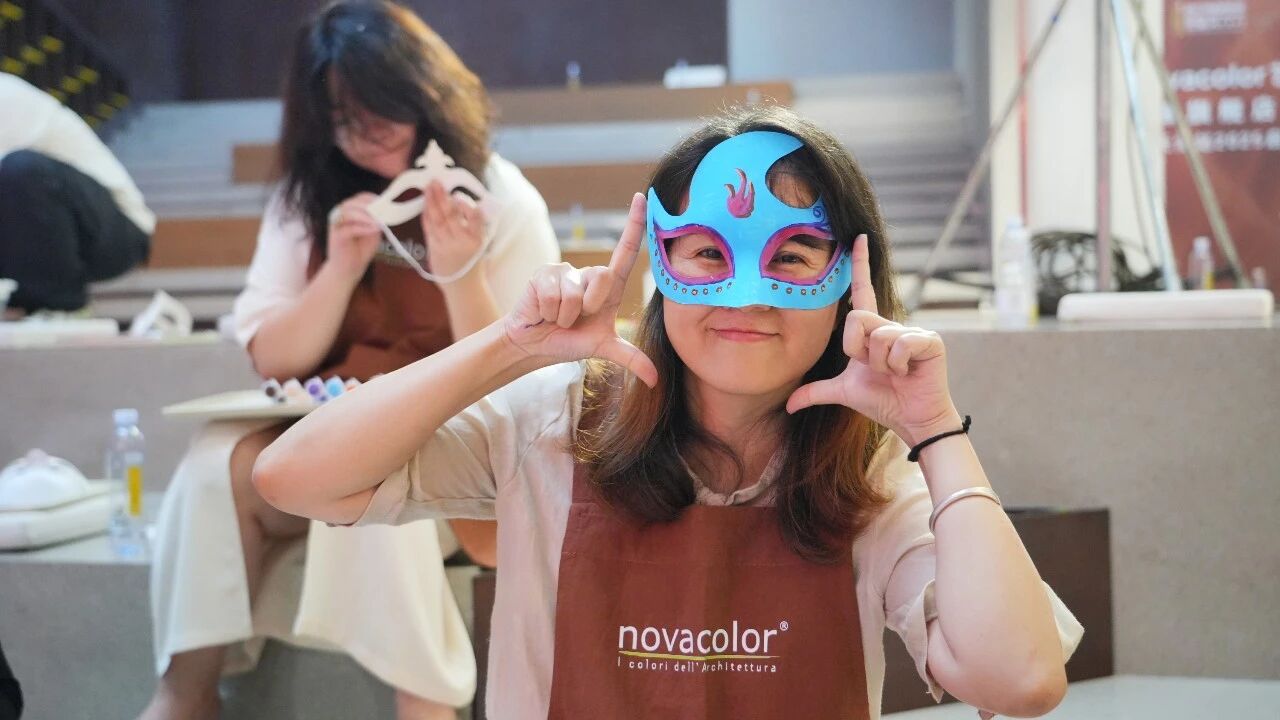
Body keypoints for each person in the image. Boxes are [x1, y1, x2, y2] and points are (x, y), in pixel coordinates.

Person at [255, 106, 1085, 719]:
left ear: (849, 281)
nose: (746, 296)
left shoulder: (869, 471)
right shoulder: (554, 422)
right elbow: (293, 477)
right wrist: (510, 345)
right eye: (708, 255)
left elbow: (1019, 681)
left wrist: (933, 431)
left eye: (793, 256)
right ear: (660, 263)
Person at [141, 3, 559, 719]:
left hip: (455, 443)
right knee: (213, 464)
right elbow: (273, 355)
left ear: (424, 95)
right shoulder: (305, 200)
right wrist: (338, 271)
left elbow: (527, 372)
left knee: (374, 465)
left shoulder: (499, 195)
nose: (367, 136)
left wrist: (460, 273)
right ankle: (185, 695)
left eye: (381, 111)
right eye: (343, 119)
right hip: (319, 430)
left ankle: (424, 705)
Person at [0, 72, 152, 317]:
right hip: (32, 238)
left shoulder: (4, 95)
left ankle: (59, 307)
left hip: (112, 234)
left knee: (22, 169)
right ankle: (26, 305)